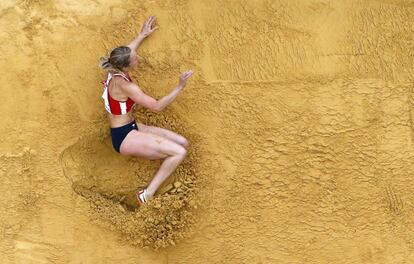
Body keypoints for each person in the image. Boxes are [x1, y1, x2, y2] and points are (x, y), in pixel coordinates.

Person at [98, 16, 193, 205]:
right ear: (126, 66)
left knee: (184, 143)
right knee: (179, 153)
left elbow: (127, 51)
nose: (138, 58)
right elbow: (157, 107)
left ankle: (158, 157)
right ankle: (147, 194)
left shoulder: (114, 67)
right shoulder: (126, 86)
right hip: (124, 137)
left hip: (132, 127)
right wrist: (179, 86)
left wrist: (142, 35)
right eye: (135, 59)